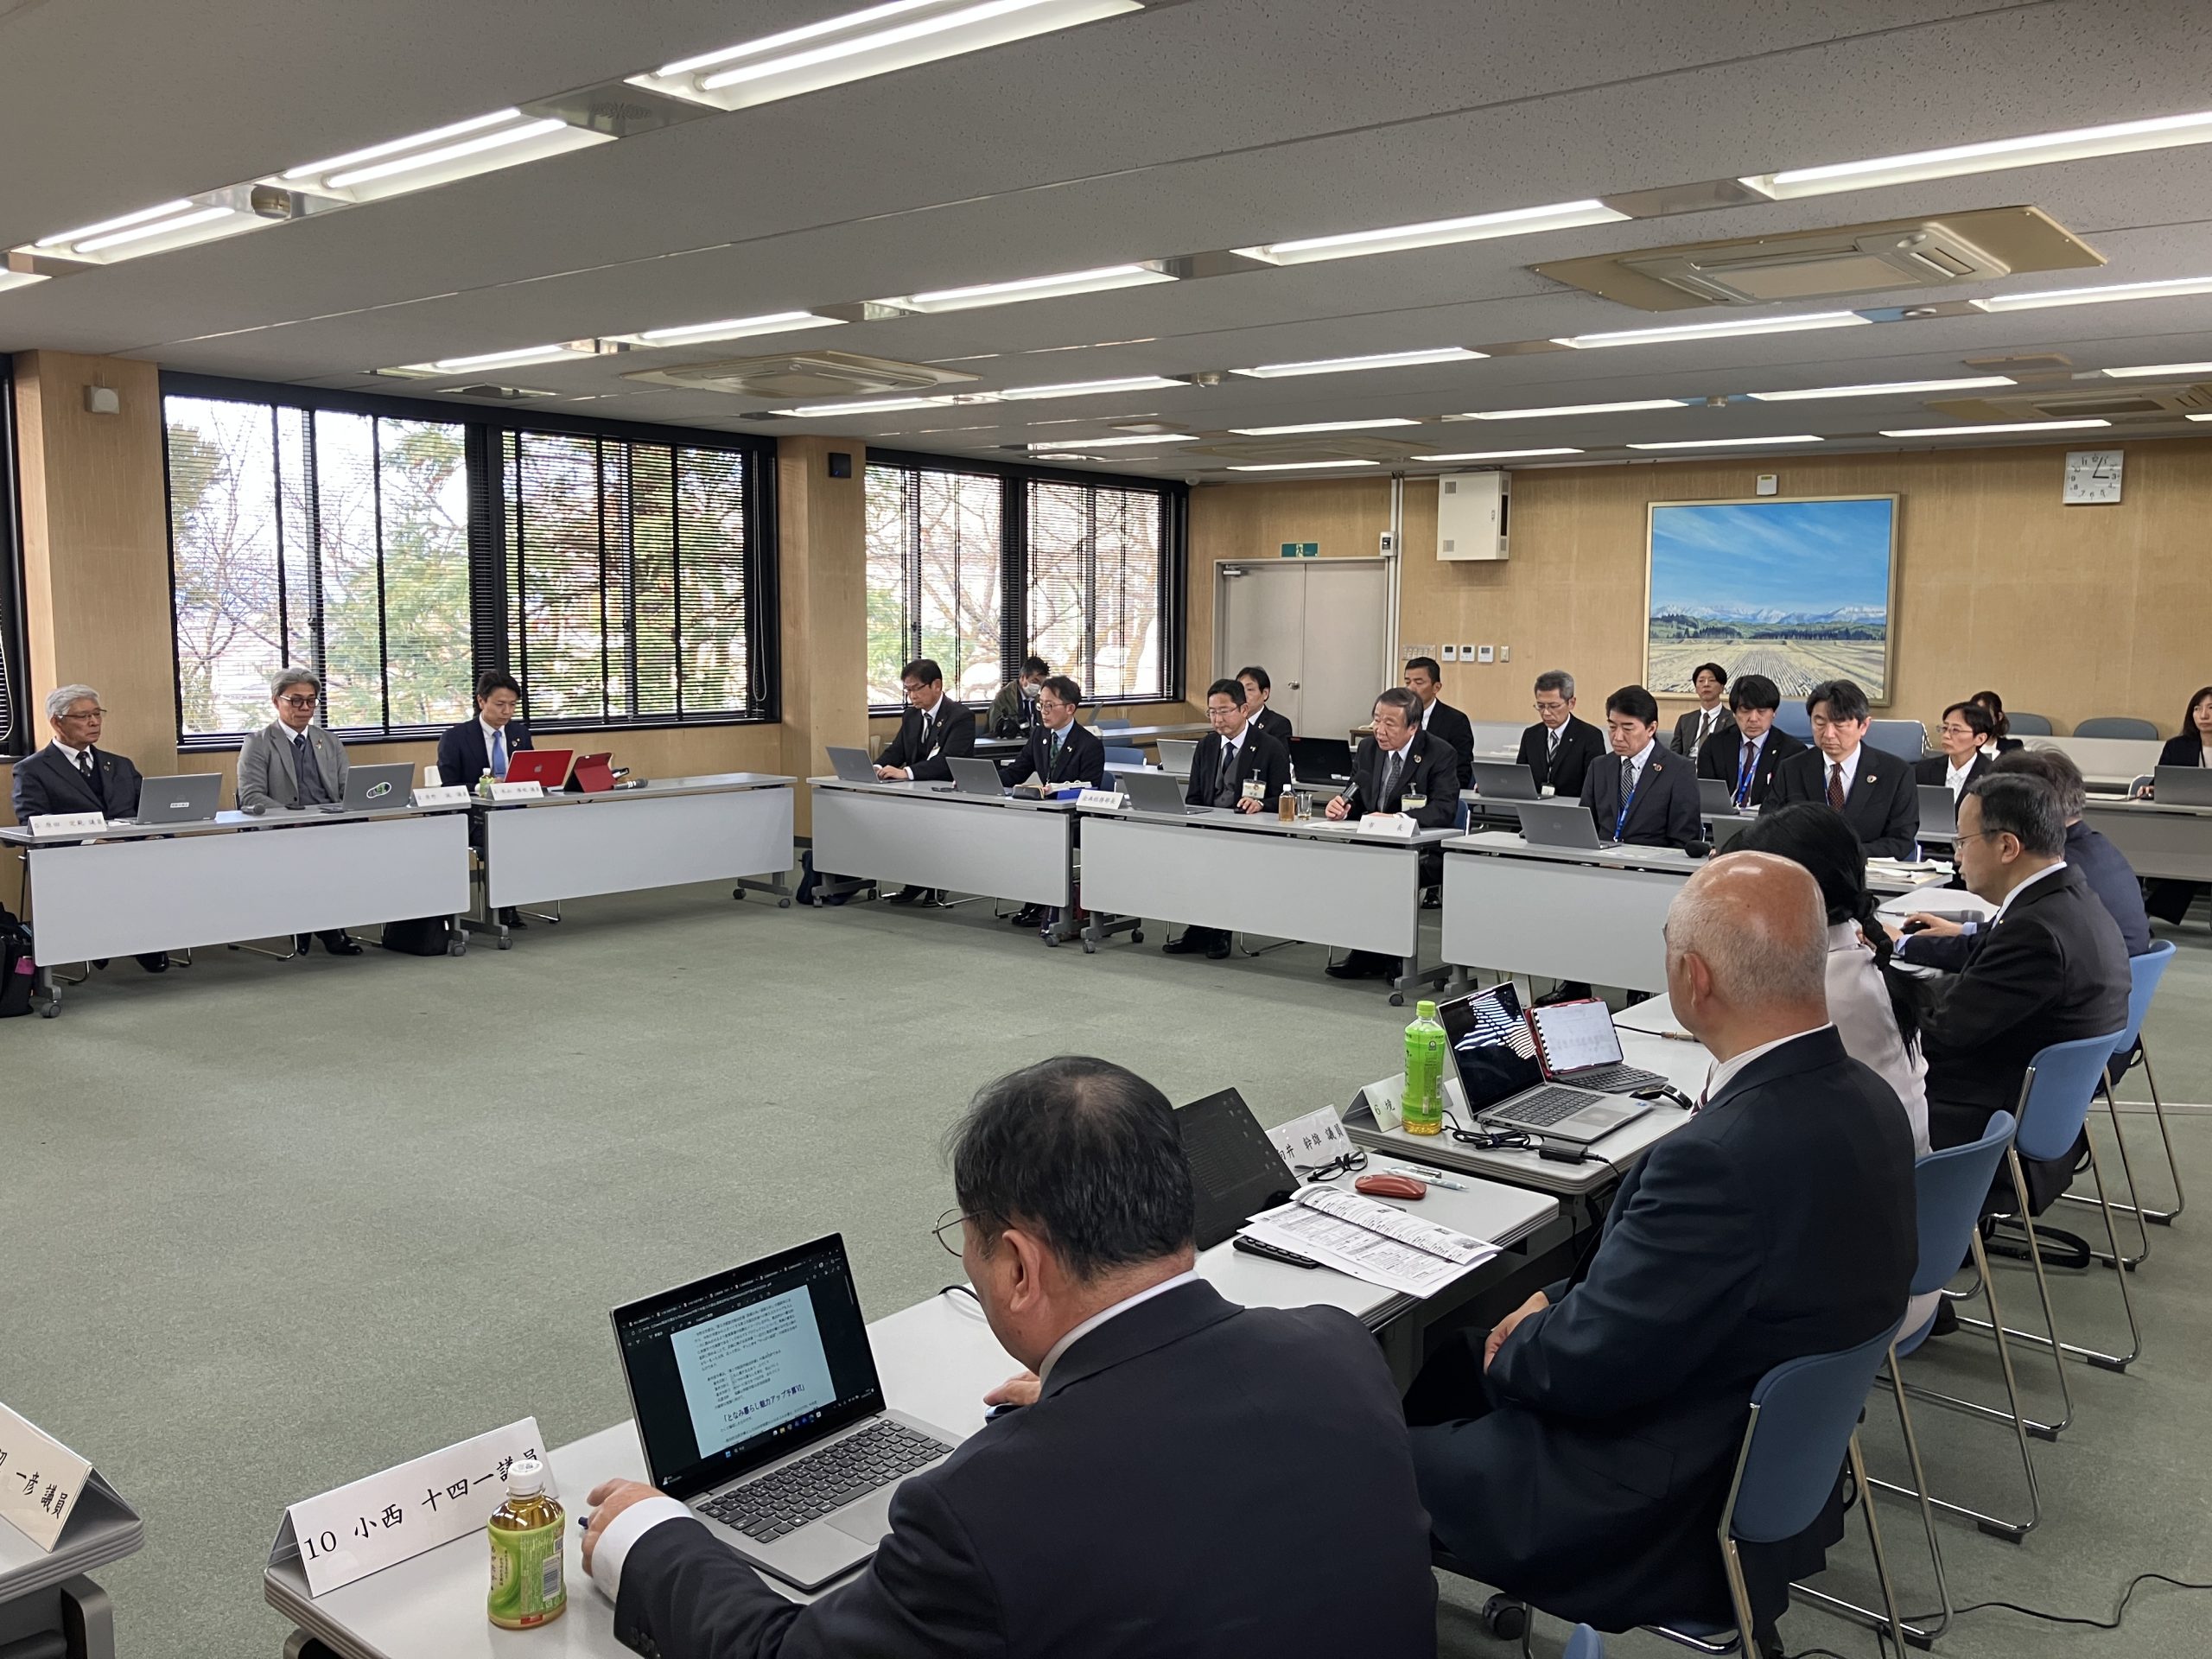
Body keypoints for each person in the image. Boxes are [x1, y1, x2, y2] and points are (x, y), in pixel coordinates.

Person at [584, 1057, 1439, 1659]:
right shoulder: (1336, 1347)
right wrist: (1085, 1402)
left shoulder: (982, 1508)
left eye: (968, 1243)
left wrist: (651, 1537)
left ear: (1020, 1267)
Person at [1405, 852, 1914, 1640]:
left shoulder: (1720, 1158)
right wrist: (1550, 1305)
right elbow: (1679, 1290)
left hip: (1655, 1503)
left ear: (1692, 977)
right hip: (1759, 1451)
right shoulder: (1870, 1100)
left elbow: (1588, 1367)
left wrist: (1524, 1343)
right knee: (1453, 1358)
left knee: (1351, 1442)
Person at [1736, 803, 1938, 1336]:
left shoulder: (1825, 989)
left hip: (1854, 1279)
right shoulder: (1856, 958)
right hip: (1898, 1241)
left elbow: (1731, 1114)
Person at [1912, 776, 2129, 1214]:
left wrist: (1880, 992)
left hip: (1986, 1127)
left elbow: (1945, 1033)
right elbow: (1981, 995)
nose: (1956, 857)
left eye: (1962, 841)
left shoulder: (2035, 931)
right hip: (2039, 1117)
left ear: (2008, 847)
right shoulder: (2072, 899)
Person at [1897, 747, 2151, 967]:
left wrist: (1900, 943)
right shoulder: (2093, 847)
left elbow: (2004, 949)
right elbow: (2007, 935)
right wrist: (1962, 930)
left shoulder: (2055, 867)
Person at [10, 684, 168, 973]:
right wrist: (89, 843)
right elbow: (32, 821)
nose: (94, 722)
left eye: (97, 714)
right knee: (118, 871)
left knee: (169, 858)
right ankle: (114, 939)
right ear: (57, 722)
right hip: (74, 856)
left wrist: (152, 834)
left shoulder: (119, 765)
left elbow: (148, 809)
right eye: (83, 717)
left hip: (131, 852)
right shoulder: (32, 769)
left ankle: (144, 938)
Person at [1324, 688, 1458, 981]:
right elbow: (1357, 796)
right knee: (1340, 863)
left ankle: (1394, 956)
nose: (1379, 730)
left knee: (1390, 872)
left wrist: (1397, 819)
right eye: (1376, 720)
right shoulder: (1368, 749)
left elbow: (1444, 809)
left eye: (1389, 724)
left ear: (1413, 727)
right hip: (1373, 844)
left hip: (1420, 849)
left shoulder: (1439, 753)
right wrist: (1343, 807)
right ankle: (1366, 952)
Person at [237, 667, 363, 957]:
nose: (304, 707)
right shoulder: (258, 743)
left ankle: (322, 923)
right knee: (314, 855)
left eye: (310, 700)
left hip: (330, 825)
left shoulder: (328, 741)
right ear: (276, 701)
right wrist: (293, 818)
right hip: (285, 829)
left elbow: (347, 788)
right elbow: (251, 796)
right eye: (295, 700)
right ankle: (324, 928)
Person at [1165, 680, 1290, 960]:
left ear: (1244, 710)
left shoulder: (1269, 746)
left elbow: (1285, 796)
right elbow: (1195, 795)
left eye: (1224, 711)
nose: (1217, 719)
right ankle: (1198, 927)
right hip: (1209, 826)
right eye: (1211, 712)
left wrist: (1261, 804)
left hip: (1248, 832)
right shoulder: (1207, 745)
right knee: (1186, 854)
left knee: (1223, 860)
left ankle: (1221, 931)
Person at [1768, 679, 1918, 859]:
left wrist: (1846, 855)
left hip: (1865, 871)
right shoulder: (1791, 769)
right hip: (1804, 868)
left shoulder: (1896, 773)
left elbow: (1901, 840)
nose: (1828, 734)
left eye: (1839, 724)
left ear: (1863, 726)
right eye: (1820, 723)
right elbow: (1769, 826)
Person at [999, 676, 1104, 932]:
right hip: (1045, 815)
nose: (1043, 712)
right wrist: (985, 779)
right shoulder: (1040, 735)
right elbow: (1016, 772)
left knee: (1039, 836)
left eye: (1050, 706)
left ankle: (1046, 902)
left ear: (1070, 708)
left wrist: (1056, 791)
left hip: (1075, 820)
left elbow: (1089, 789)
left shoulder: (1089, 744)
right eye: (1041, 705)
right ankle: (1036, 897)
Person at [877, 659, 979, 904]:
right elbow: (897, 750)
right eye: (907, 690)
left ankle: (935, 883)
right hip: (915, 793)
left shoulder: (960, 716)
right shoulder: (911, 715)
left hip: (948, 794)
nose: (912, 696)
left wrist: (906, 773)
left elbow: (948, 761)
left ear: (936, 685)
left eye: (916, 689)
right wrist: (877, 767)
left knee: (927, 830)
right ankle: (916, 881)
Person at [1580, 684, 1701, 849]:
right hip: (1602, 860)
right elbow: (1586, 827)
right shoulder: (1599, 767)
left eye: (1627, 728)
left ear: (1651, 728)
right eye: (1612, 727)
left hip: (1653, 862)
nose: (1617, 737)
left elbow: (1683, 839)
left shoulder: (1679, 769)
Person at [2144, 684, 2212, 925]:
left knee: (2195, 855)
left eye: (2211, 708)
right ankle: (2148, 913)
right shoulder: (2178, 746)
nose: (2204, 715)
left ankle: (2150, 912)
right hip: (2184, 824)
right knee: (2190, 852)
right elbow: (2161, 782)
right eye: (2197, 709)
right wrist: (2150, 789)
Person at [1696, 672, 1804, 809]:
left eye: (1761, 711)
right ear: (1734, 713)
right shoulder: (1714, 746)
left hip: (1769, 820)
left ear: (1774, 713)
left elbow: (1791, 805)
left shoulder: (1793, 752)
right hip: (1721, 819)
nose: (1753, 719)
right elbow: (1707, 798)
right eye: (1745, 710)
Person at [435, 669, 532, 792]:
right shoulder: (454, 738)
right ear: (481, 701)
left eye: (512, 704)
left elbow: (529, 774)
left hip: (516, 802)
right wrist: (481, 787)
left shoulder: (521, 733)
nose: (507, 711)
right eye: (500, 704)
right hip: (476, 803)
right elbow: (449, 785)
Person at [1514, 669, 1605, 798]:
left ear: (1571, 703)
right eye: (1540, 706)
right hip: (1535, 806)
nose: (1546, 713)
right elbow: (1520, 779)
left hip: (1572, 807)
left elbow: (1594, 786)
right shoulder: (1531, 735)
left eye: (1553, 706)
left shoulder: (1590, 736)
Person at [1403, 655, 1475, 790]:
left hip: (1438, 792)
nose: (1411, 688)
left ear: (1436, 687)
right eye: (1407, 682)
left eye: (1419, 683)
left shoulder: (1456, 721)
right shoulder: (1400, 718)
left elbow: (1461, 771)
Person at [1912, 701, 1993, 796]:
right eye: (1945, 728)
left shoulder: (1993, 775)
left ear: (1980, 739)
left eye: (1956, 730)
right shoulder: (1923, 769)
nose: (1946, 735)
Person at [1669, 662, 1737, 761]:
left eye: (1712, 680)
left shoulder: (1733, 720)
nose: (1706, 684)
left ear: (1722, 688)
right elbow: (1674, 755)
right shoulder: (1685, 720)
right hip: (1687, 768)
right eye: (1701, 681)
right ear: (1696, 688)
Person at [988, 655, 1052, 738]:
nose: (1038, 686)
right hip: (1011, 744)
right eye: (1035, 681)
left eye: (1041, 683)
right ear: (1023, 678)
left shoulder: (1040, 700)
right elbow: (995, 728)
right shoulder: (1003, 698)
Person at [1236, 664, 1294, 747]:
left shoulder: (1279, 724)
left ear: (1265, 694)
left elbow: (1278, 754)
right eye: (1240, 689)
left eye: (1250, 689)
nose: (1243, 695)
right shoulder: (1232, 720)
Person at [1969, 690, 2024, 756]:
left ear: (1999, 717)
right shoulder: (1966, 748)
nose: (1980, 720)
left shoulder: (2013, 747)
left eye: (1986, 715)